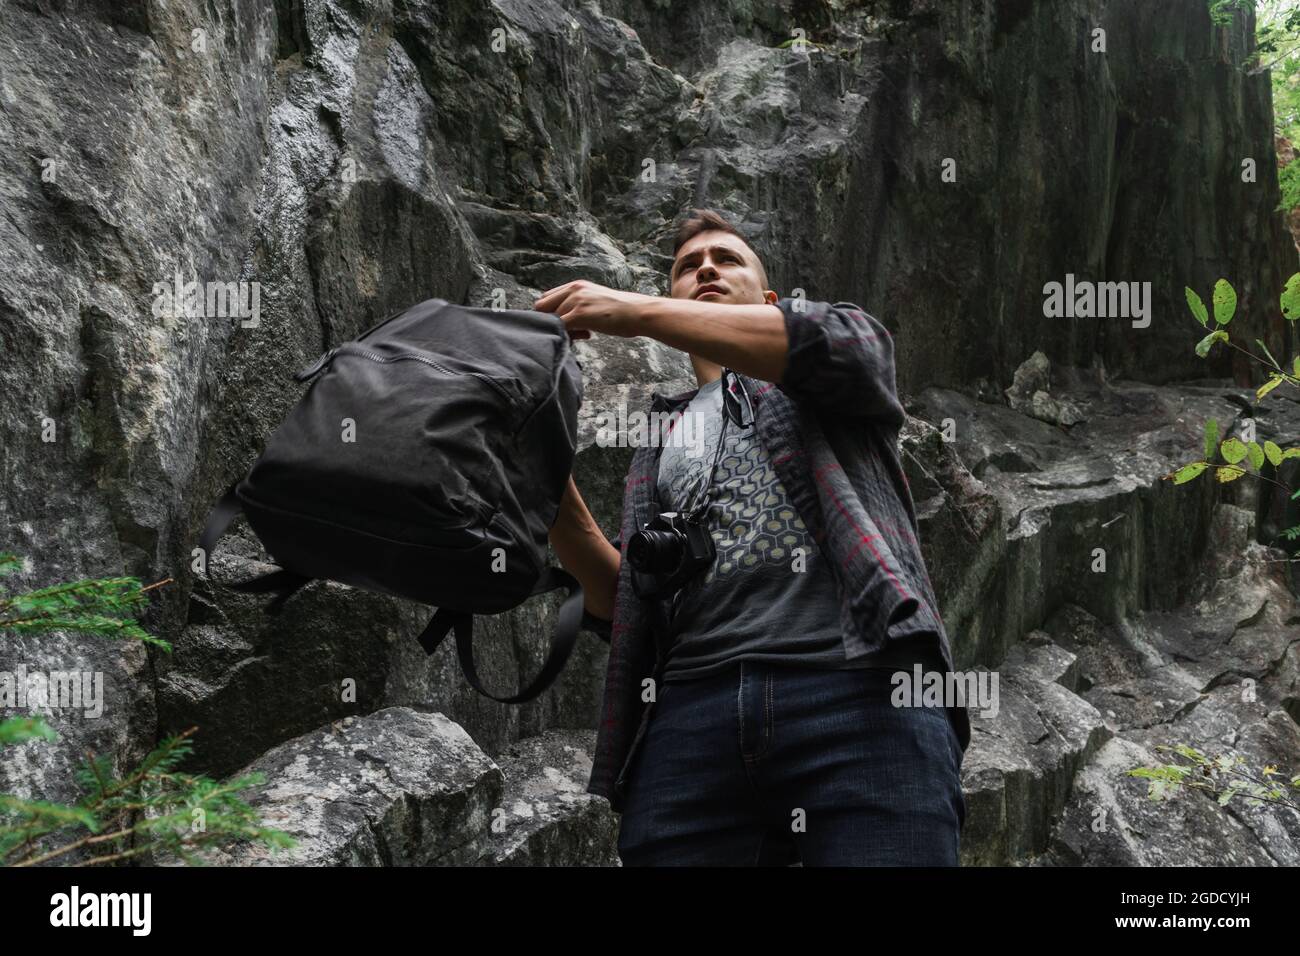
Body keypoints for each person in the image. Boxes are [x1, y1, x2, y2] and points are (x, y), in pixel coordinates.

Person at [537, 208, 969, 866]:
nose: (706, 267)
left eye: (726, 259)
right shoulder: (658, 440)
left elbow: (849, 343)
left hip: (862, 691)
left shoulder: (825, 372)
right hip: (688, 717)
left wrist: (634, 308)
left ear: (769, 300)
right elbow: (619, 603)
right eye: (687, 267)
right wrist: (543, 482)